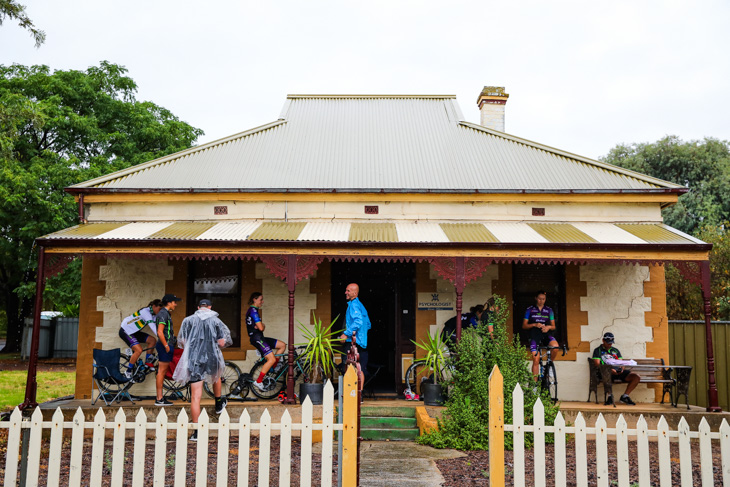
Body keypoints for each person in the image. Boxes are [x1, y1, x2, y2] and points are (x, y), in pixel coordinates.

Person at [174, 299, 233, 441]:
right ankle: (218, 402)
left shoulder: (188, 321)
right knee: (216, 376)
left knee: (195, 396)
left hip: (194, 359)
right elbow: (222, 342)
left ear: (198, 307)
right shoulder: (216, 321)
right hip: (211, 356)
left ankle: (196, 432)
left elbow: (181, 341)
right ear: (210, 307)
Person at [246, 292, 287, 392]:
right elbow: (261, 327)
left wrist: (261, 325)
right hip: (257, 338)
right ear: (254, 299)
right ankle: (259, 381)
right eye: (260, 299)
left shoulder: (254, 310)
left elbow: (259, 327)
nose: (262, 302)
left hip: (260, 337)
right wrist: (263, 325)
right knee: (271, 358)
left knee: (282, 345)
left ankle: (273, 367)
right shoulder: (253, 311)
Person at [592, 332, 640, 406]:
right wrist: (609, 369)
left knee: (636, 377)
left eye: (611, 343)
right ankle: (610, 396)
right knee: (606, 373)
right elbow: (597, 364)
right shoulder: (597, 350)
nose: (610, 344)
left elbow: (621, 363)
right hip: (605, 372)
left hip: (617, 371)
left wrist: (621, 369)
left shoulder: (615, 350)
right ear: (603, 341)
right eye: (608, 343)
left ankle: (625, 396)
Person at [119, 299, 162, 379]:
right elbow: (152, 325)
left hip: (134, 332)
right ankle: (128, 372)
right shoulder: (145, 311)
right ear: (154, 306)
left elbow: (159, 326)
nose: (160, 312)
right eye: (159, 309)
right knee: (139, 350)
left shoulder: (154, 315)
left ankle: (147, 363)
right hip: (126, 331)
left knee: (152, 341)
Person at [522, 290, 559, 381]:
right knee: (536, 359)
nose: (541, 301)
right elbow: (524, 326)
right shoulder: (530, 309)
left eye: (543, 299)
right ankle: (534, 386)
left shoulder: (549, 310)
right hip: (534, 335)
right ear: (536, 298)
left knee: (555, 347)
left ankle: (550, 366)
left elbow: (554, 326)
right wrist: (534, 324)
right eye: (539, 299)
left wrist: (548, 327)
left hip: (546, 333)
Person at [154, 293, 182, 406]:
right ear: (169, 302)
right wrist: (166, 345)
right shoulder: (163, 313)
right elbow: (160, 332)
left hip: (166, 344)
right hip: (164, 345)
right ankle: (159, 398)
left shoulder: (165, 313)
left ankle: (160, 398)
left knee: (163, 371)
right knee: (161, 371)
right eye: (174, 302)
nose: (175, 304)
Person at [340, 283, 372, 376]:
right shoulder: (361, 306)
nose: (345, 292)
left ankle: (350, 391)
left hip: (352, 343)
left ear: (355, 293)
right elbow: (368, 324)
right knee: (360, 370)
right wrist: (361, 334)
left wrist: (346, 333)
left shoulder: (353, 305)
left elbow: (358, 322)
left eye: (348, 291)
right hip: (361, 343)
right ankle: (359, 390)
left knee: (348, 369)